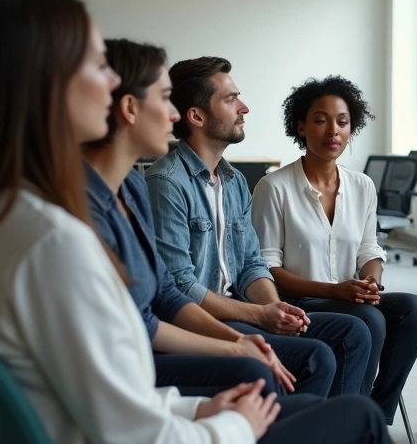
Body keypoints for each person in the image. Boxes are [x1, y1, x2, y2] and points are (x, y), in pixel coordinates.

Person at [0, 0, 417, 444]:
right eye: (97, 65)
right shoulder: (55, 244)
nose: (113, 82)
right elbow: (143, 443)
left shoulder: (8, 220)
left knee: (336, 418)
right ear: (49, 84)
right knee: (354, 425)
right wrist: (233, 428)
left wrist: (202, 408)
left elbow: (112, 397)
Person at [85, 38, 335, 399]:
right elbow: (156, 309)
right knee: (292, 366)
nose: (173, 115)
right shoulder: (154, 184)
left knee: (342, 342)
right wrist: (243, 338)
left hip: (194, 319)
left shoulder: (135, 188)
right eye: (164, 98)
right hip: (137, 361)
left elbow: (175, 291)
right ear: (128, 108)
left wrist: (256, 322)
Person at [145, 56, 371, 398]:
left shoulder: (234, 181)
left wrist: (273, 308)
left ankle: (340, 433)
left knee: (354, 332)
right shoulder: (167, 182)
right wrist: (260, 315)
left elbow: (251, 263)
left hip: (237, 306)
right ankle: (308, 436)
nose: (244, 108)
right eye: (231, 99)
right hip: (198, 319)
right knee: (316, 355)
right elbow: (180, 287)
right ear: (196, 116)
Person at [252, 76, 417, 444]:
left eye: (343, 121)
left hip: (349, 297)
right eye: (320, 120)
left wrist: (371, 282)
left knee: (413, 309)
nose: (333, 130)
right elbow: (265, 268)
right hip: (297, 300)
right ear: (300, 126)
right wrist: (338, 292)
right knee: (369, 320)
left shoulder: (362, 186)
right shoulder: (274, 187)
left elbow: (370, 249)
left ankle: (374, 424)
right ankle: (348, 433)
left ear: (353, 127)